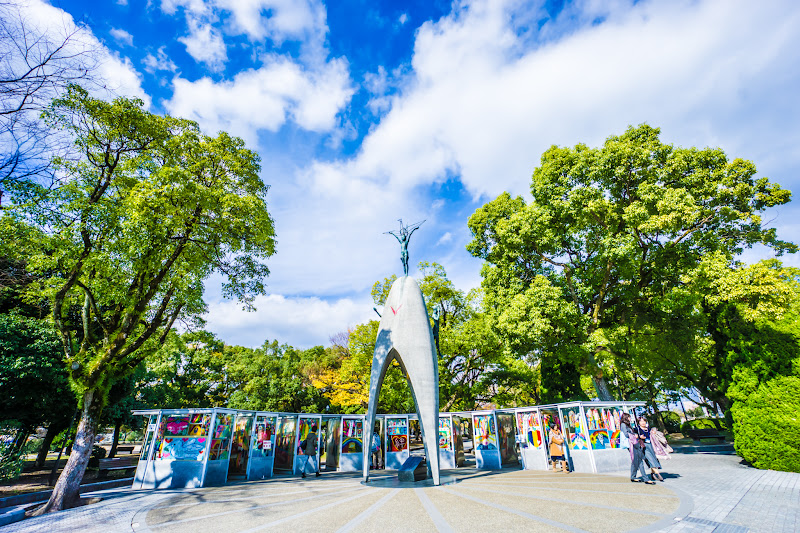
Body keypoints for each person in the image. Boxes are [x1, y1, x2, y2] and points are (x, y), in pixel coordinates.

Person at [621, 413, 653, 484]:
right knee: (639, 460)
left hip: (633, 443)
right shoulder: (623, 424)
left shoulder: (628, 425)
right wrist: (634, 435)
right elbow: (626, 434)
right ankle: (646, 479)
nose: (630, 418)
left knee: (635, 461)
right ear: (626, 417)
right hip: (631, 444)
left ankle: (633, 477)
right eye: (629, 417)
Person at [636, 417, 664, 482]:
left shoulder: (649, 429)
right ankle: (658, 474)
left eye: (644, 421)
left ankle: (652, 473)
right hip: (643, 446)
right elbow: (634, 436)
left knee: (653, 459)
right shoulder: (636, 429)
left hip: (651, 446)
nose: (643, 423)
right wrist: (639, 437)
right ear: (639, 422)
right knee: (650, 459)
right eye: (641, 421)